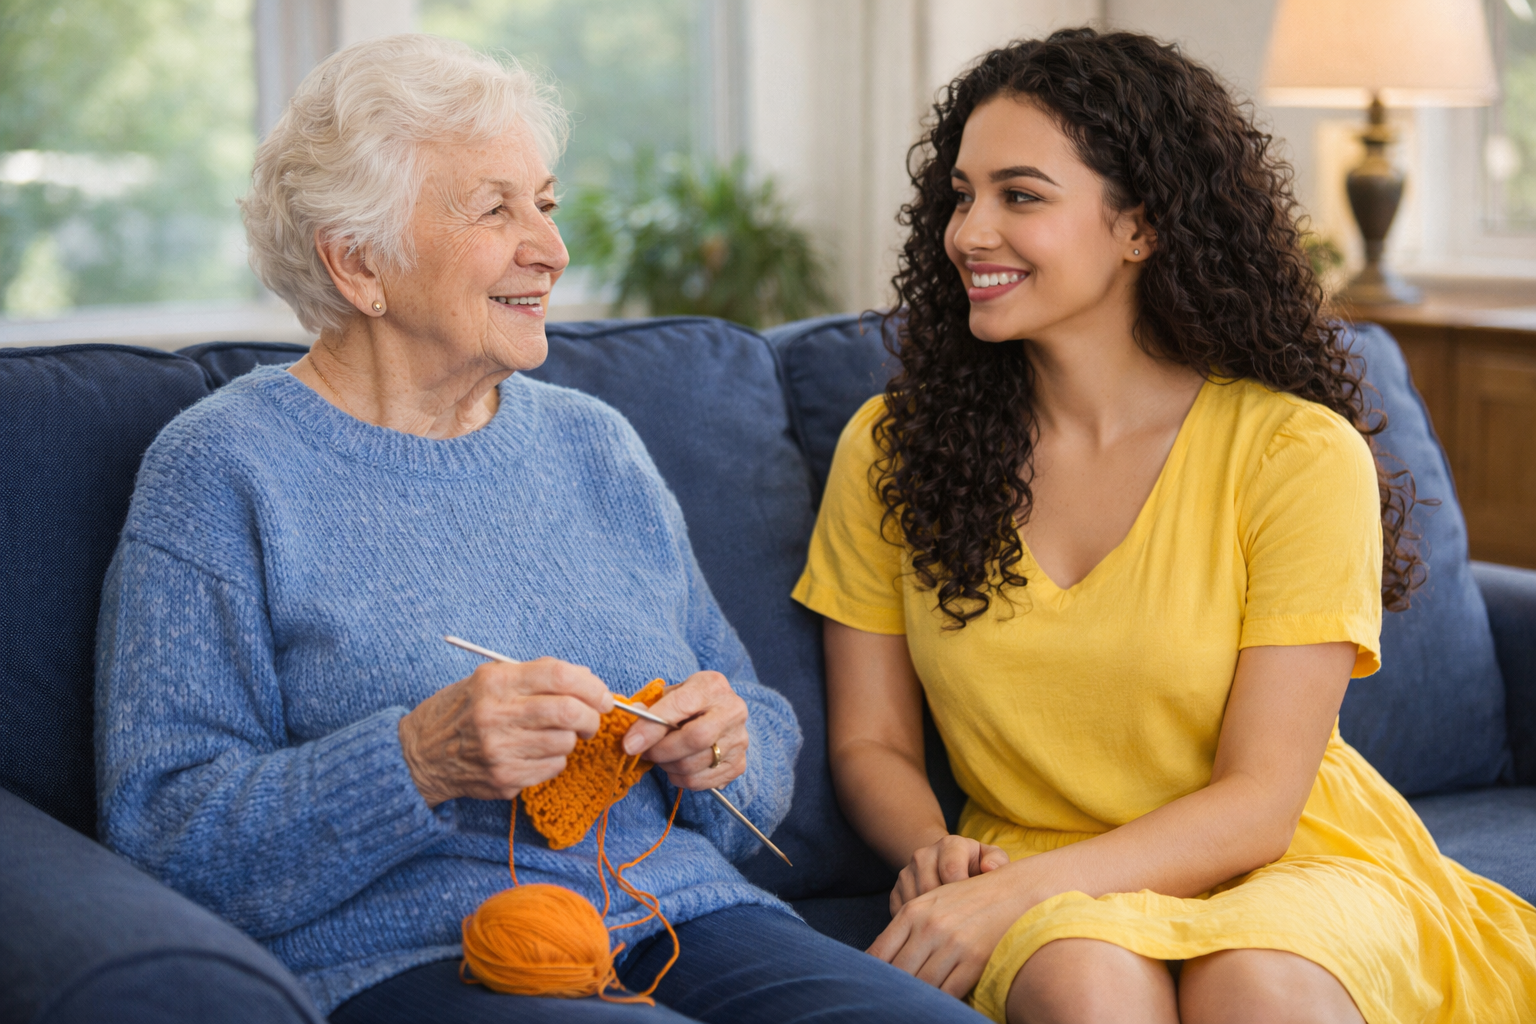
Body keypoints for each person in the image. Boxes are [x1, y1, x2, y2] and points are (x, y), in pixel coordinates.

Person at [94, 34, 988, 1024]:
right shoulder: (224, 468)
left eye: (546, 205)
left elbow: (757, 738)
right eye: (495, 210)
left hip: (687, 915)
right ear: (358, 263)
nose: (553, 250)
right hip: (419, 954)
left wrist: (725, 744)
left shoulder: (594, 444)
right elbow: (162, 832)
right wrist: (418, 758)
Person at [794, 28, 1536, 1024]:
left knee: (1260, 988)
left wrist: (1008, 896)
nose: (969, 233)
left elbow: (1261, 801)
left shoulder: (1294, 453)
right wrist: (938, 853)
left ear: (1140, 226)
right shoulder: (892, 448)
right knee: (1087, 986)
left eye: (1021, 196)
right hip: (1031, 855)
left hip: (1290, 856)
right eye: (961, 195)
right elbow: (873, 741)